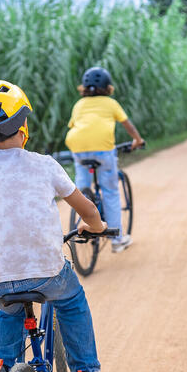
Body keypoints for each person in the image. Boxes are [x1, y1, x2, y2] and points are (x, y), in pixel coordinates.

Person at [0, 79, 109, 372]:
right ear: (23, 125)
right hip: (44, 272)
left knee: (9, 310)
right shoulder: (44, 164)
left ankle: (1, 368)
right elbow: (88, 209)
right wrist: (95, 226)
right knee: (71, 300)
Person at [65, 66, 145, 253]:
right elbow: (129, 126)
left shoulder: (79, 104)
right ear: (108, 87)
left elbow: (74, 125)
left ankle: (85, 219)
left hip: (78, 147)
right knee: (110, 191)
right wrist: (138, 141)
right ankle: (117, 240)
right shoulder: (110, 103)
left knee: (82, 187)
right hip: (102, 149)